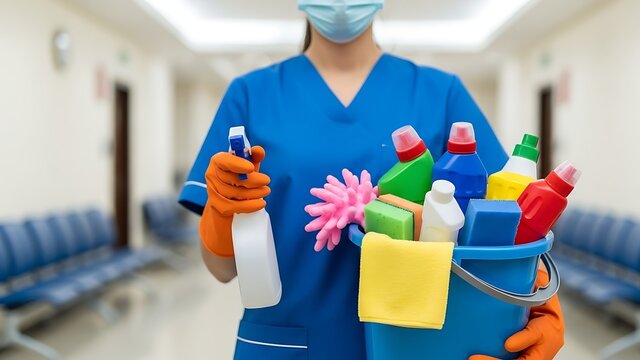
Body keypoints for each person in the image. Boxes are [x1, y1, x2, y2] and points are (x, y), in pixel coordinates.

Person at [179, 1, 564, 359]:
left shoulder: (441, 93)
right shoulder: (250, 95)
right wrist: (222, 210)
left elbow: (503, 218)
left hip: (417, 343)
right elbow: (222, 270)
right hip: (286, 342)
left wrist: (539, 294)